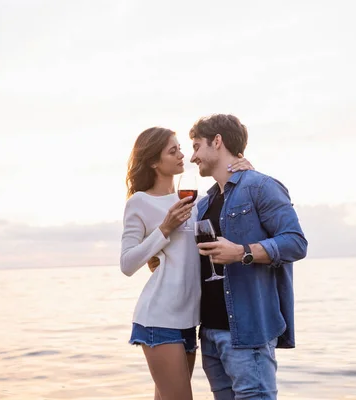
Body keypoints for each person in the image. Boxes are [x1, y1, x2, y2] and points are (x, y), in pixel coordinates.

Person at [120, 126, 252, 400]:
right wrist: (165, 229)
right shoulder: (140, 202)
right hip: (159, 318)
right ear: (155, 162)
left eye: (181, 148)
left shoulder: (201, 202)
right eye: (173, 150)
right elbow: (127, 263)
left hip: (190, 320)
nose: (183, 155)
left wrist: (245, 170)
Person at [188, 114, 308, 400]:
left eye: (196, 146)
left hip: (247, 333)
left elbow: (295, 242)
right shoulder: (204, 203)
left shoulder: (260, 187)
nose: (193, 157)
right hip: (210, 335)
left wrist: (242, 252)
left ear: (217, 141)